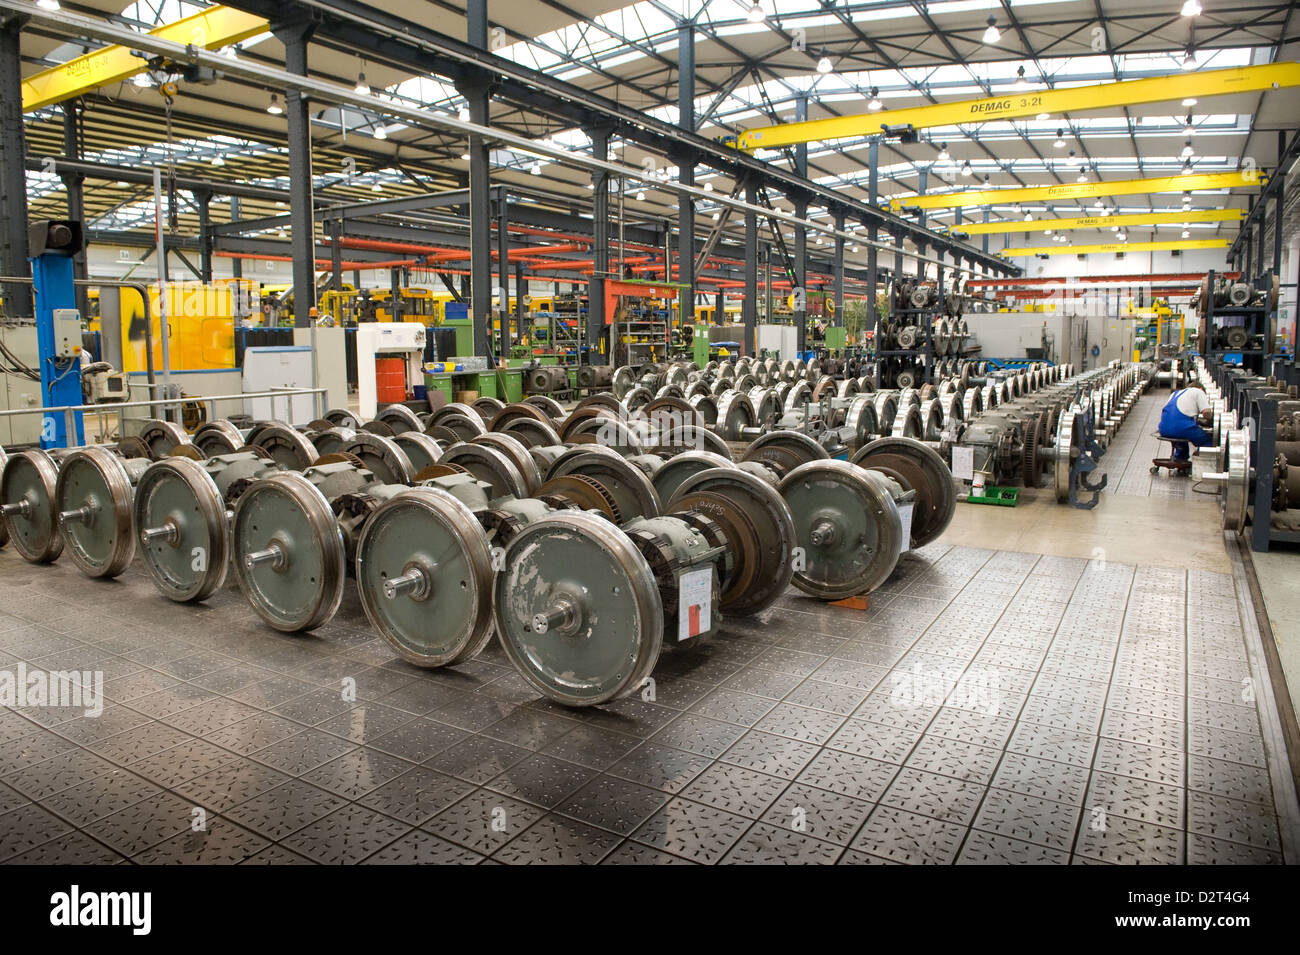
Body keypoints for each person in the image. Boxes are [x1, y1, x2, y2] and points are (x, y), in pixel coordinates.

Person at [1159, 384, 1212, 462]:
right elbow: (1206, 413)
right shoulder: (1199, 391)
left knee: (1181, 438)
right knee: (1206, 440)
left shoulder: (1175, 393)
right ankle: (1203, 463)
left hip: (1164, 429)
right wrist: (1210, 421)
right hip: (1181, 428)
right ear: (1201, 389)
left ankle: (1180, 458)